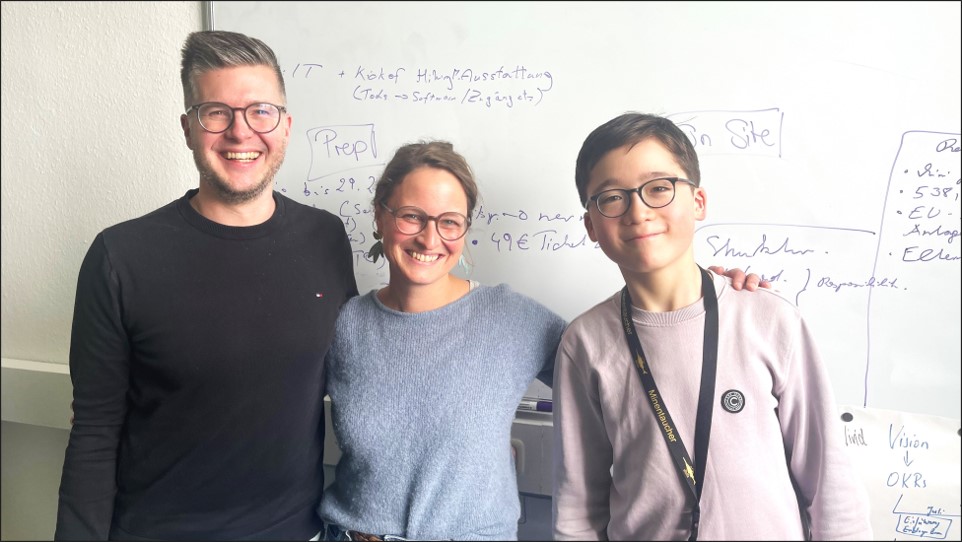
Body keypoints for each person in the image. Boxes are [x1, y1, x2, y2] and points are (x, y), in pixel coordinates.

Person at [316, 140, 769, 541]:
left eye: (450, 222)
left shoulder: (511, 319)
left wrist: (700, 294)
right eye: (412, 216)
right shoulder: (343, 324)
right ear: (380, 215)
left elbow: (624, 366)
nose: (430, 238)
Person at [55, 30, 358, 540]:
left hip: (299, 532)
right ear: (188, 128)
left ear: (285, 126)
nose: (241, 133)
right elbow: (93, 433)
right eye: (215, 112)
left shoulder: (326, 238)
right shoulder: (120, 257)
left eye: (261, 111)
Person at [552, 112, 873, 540]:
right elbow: (578, 506)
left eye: (659, 188)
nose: (638, 211)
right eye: (611, 197)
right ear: (591, 225)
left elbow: (830, 482)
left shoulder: (769, 318)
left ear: (698, 201)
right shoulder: (585, 343)